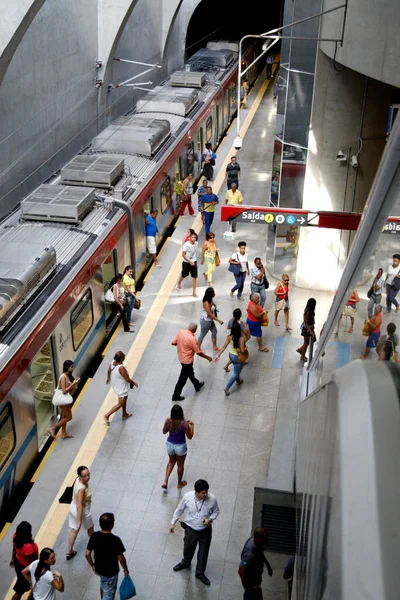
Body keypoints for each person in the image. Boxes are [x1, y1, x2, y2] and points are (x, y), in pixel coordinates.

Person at [170, 479, 220, 586]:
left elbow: (216, 511)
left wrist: (210, 519)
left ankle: (200, 573)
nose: (206, 494)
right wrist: (172, 522)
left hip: (205, 530)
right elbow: (179, 509)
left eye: (206, 492)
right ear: (196, 492)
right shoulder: (188, 497)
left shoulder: (212, 499)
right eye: (203, 493)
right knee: (188, 547)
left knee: (203, 552)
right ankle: (186, 562)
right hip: (191, 528)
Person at [85, 513, 129, 600]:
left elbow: (87, 553)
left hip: (99, 569)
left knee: (103, 584)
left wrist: (92, 565)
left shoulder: (94, 536)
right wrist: (125, 569)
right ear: (111, 525)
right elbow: (121, 558)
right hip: (110, 573)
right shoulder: (115, 540)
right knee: (109, 593)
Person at [171, 323, 212, 401]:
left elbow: (173, 342)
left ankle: (197, 385)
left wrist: (182, 345)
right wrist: (207, 357)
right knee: (182, 379)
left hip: (181, 358)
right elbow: (198, 352)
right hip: (187, 361)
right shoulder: (192, 339)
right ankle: (175, 396)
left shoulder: (181, 332)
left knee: (190, 373)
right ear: (195, 330)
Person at [162, 404, 194, 489]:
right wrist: (192, 426)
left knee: (171, 462)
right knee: (180, 465)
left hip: (170, 445)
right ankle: (179, 483)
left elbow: (164, 431)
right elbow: (190, 437)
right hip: (180, 447)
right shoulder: (184, 424)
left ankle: (165, 481)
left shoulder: (168, 421)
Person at [67, 466, 94, 560]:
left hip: (73, 507)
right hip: (81, 511)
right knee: (90, 528)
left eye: (88, 474)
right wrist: (79, 521)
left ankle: (69, 552)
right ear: (80, 476)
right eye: (85, 476)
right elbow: (80, 506)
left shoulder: (77, 480)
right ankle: (95, 545)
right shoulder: (81, 489)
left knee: (74, 530)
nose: (87, 477)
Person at [238, 528, 273, 600]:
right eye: (264, 538)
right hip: (251, 586)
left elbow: (260, 553)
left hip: (255, 582)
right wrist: (248, 587)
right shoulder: (249, 553)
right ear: (258, 538)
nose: (266, 539)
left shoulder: (254, 541)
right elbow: (240, 570)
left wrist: (268, 565)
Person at [104, 351, 138, 425]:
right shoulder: (121, 368)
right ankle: (107, 415)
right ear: (122, 359)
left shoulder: (113, 362)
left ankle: (124, 414)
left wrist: (108, 378)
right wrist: (134, 383)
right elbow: (127, 379)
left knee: (124, 399)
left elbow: (109, 370)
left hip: (116, 384)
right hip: (121, 388)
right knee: (120, 403)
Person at [215, 319, 248, 395]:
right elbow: (242, 351)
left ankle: (238, 381)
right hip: (237, 357)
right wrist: (246, 348)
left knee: (236, 369)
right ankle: (227, 388)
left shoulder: (229, 337)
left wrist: (218, 355)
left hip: (231, 355)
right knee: (236, 373)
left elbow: (223, 347)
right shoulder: (241, 339)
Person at [49, 360, 79, 440]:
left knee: (64, 416)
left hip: (65, 399)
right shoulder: (63, 377)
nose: (73, 368)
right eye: (71, 367)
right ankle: (53, 428)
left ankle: (64, 433)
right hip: (62, 400)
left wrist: (74, 384)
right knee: (69, 417)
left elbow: (69, 391)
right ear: (67, 367)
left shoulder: (67, 376)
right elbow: (64, 391)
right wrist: (72, 384)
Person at [10, 521, 38, 600]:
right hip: (26, 568)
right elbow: (32, 562)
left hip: (18, 563)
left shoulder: (16, 537)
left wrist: (12, 558)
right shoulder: (28, 547)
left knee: (21, 586)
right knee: (21, 590)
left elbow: (14, 549)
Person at [177, 231, 198, 297]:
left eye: (195, 237)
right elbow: (183, 255)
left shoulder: (196, 244)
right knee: (184, 274)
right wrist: (189, 261)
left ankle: (194, 292)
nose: (194, 238)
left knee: (194, 276)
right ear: (190, 238)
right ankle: (179, 282)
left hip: (194, 261)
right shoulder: (186, 244)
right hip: (186, 262)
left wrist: (193, 261)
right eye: (192, 237)